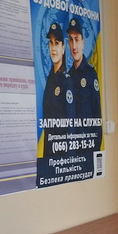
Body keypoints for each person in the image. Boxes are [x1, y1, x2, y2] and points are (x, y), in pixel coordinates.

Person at [66, 16, 102, 147]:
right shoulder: (68, 76)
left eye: (77, 39)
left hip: (87, 146)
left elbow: (97, 115)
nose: (74, 46)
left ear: (82, 42)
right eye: (71, 40)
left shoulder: (90, 74)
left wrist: (95, 148)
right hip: (72, 146)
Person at [41, 21, 74, 157]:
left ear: (63, 48)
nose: (53, 48)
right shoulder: (50, 79)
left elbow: (71, 124)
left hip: (62, 155)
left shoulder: (66, 80)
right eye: (51, 43)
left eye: (57, 43)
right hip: (49, 152)